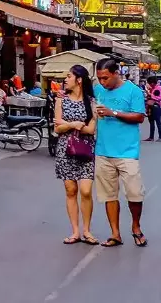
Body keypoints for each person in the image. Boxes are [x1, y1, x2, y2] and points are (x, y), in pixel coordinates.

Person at [92, 58, 147, 247]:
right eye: (99, 78)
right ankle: (115, 233)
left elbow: (139, 116)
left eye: (105, 78)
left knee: (134, 193)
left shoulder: (133, 91)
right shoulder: (98, 90)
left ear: (116, 73)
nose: (102, 82)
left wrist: (112, 113)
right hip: (103, 151)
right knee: (109, 195)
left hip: (127, 152)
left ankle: (136, 226)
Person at [54, 65, 98, 245]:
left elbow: (91, 129)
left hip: (86, 149)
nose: (65, 79)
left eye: (69, 76)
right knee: (71, 190)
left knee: (86, 191)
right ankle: (75, 231)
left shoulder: (91, 101)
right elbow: (57, 128)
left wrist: (68, 123)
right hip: (65, 149)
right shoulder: (61, 101)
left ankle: (87, 230)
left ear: (79, 79)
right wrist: (75, 124)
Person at [145, 76, 161, 142]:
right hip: (150, 106)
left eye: (150, 83)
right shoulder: (152, 88)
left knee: (158, 121)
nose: (149, 84)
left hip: (156, 106)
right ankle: (151, 137)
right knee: (151, 122)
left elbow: (160, 97)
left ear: (153, 83)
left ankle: (160, 137)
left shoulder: (159, 88)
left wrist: (151, 95)